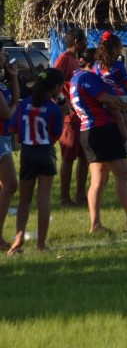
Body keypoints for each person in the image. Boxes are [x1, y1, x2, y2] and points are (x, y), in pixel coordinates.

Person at [70, 65, 127, 235]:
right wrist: (122, 105)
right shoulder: (87, 77)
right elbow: (105, 99)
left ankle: (95, 224)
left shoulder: (75, 78)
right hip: (102, 129)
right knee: (123, 174)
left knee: (98, 179)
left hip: (88, 129)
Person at [7, 68, 65, 255]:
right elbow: (56, 135)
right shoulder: (54, 108)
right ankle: (41, 243)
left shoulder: (24, 105)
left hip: (28, 153)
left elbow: (13, 129)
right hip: (45, 152)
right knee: (43, 200)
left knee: (24, 200)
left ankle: (19, 236)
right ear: (56, 87)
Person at [52, 27, 88, 208]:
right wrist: (62, 104)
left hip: (81, 117)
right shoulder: (64, 59)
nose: (86, 43)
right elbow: (52, 83)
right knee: (68, 158)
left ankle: (81, 195)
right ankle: (65, 198)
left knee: (84, 156)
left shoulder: (76, 60)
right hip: (69, 119)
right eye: (84, 40)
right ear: (76, 41)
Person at [0, 49, 19, 248]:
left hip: (3, 137)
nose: (5, 57)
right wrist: (13, 110)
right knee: (10, 185)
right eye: (2, 53)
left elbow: (13, 102)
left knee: (4, 186)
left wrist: (13, 79)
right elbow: (7, 113)